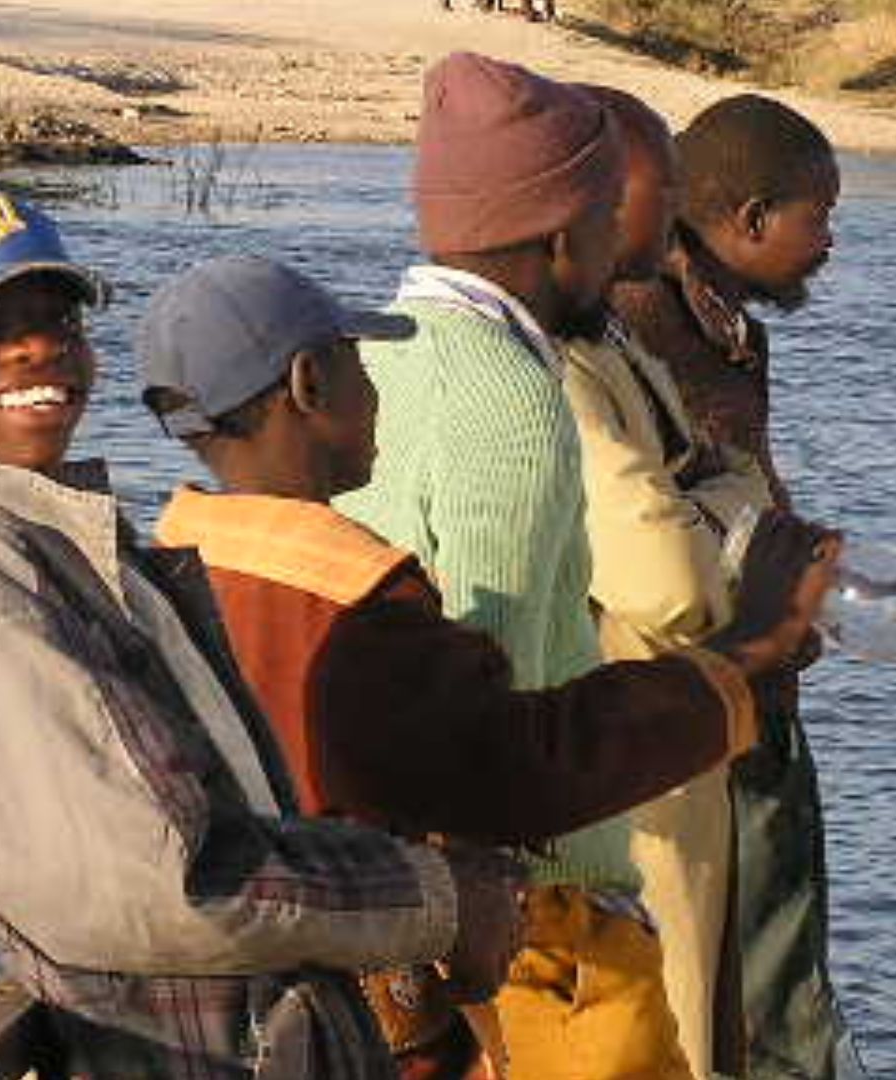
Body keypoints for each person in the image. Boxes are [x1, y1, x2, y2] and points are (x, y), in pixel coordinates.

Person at [0, 183, 523, 1078]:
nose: (38, 347)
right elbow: (170, 882)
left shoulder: (46, 539)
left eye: (58, 319)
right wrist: (439, 901)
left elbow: (217, 827)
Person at [137, 254, 837, 1072]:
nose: (380, 395)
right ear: (308, 385)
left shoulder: (164, 582)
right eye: (360, 365)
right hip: (372, 1018)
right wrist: (745, 650)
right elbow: (523, 765)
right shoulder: (354, 610)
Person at [334, 53, 770, 1077]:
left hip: (415, 892)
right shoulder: (514, 393)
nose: (635, 241)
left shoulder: (387, 345)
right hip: (536, 923)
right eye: (609, 212)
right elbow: (503, 687)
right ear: (561, 230)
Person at [611, 95, 864, 1079]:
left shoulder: (716, 323)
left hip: (738, 687)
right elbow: (668, 525)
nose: (831, 241)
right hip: (707, 696)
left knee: (763, 968)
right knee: (764, 983)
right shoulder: (648, 322)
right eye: (820, 216)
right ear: (751, 220)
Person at [557, 87, 778, 1080]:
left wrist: (717, 500)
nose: (672, 207)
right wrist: (732, 518)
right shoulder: (570, 362)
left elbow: (724, 480)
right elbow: (672, 573)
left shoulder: (617, 340)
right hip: (630, 763)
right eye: (659, 187)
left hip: (681, 747)